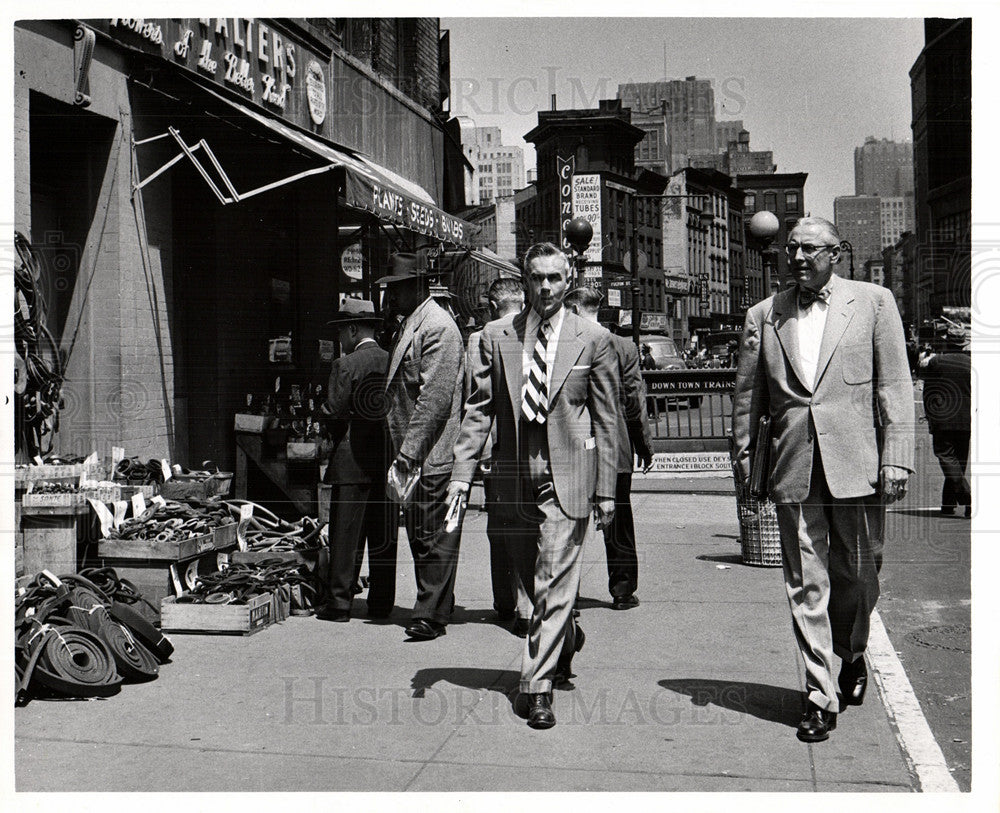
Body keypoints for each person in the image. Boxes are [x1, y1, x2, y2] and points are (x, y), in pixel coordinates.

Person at [733, 217, 914, 743]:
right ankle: (819, 693)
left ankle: (851, 652)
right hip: (792, 465)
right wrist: (745, 463)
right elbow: (748, 398)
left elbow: (895, 384)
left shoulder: (875, 302)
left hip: (858, 463)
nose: (798, 257)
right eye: (792, 249)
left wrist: (896, 457)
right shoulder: (764, 316)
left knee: (859, 574)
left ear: (836, 253)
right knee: (805, 581)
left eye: (810, 249)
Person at [449, 242, 619, 730]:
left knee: (552, 579)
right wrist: (462, 476)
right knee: (532, 577)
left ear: (568, 282)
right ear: (524, 281)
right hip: (512, 477)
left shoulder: (592, 337)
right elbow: (478, 410)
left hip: (568, 474)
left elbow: (606, 418)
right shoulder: (495, 335)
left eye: (555, 278)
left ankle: (536, 687)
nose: (546, 287)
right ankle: (564, 638)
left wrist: (605, 488)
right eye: (537, 278)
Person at [380, 253, 466, 641]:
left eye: (394, 289)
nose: (389, 297)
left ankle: (429, 614)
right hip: (415, 452)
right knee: (422, 534)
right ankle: (435, 607)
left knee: (431, 535)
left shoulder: (438, 327)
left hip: (430, 453)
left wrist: (408, 453)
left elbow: (434, 399)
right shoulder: (413, 324)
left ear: (416, 286)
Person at [564, 289, 653, 609]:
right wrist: (642, 444)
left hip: (572, 446)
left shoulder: (565, 343)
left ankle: (566, 594)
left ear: (573, 308)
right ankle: (623, 590)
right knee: (619, 522)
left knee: (568, 523)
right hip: (614, 448)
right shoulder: (624, 346)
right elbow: (634, 401)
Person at [316, 299, 396, 622]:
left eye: (341, 332)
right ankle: (380, 603)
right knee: (383, 534)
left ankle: (339, 603)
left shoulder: (345, 365)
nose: (340, 340)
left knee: (346, 535)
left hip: (350, 461)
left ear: (352, 329)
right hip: (387, 458)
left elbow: (333, 411)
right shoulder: (392, 359)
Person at [465, 277, 532, 635]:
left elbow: (479, 402)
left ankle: (506, 601)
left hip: (499, 452)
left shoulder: (482, 336)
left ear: (492, 306)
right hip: (539, 452)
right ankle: (538, 602)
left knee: (501, 528)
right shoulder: (541, 329)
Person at [920, 337, 972, 516]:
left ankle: (967, 497)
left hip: (943, 417)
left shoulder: (937, 362)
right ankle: (948, 503)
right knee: (959, 460)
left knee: (947, 457)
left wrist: (929, 414)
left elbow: (929, 389)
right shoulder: (971, 363)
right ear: (964, 345)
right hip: (966, 419)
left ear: (947, 344)